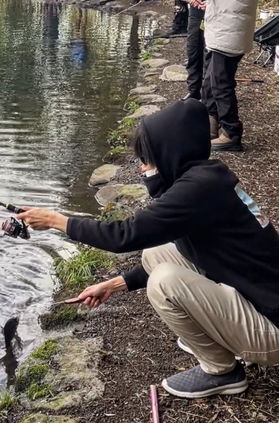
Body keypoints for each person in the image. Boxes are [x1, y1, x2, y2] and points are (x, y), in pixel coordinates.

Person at [16, 100, 279, 400]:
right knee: (156, 255)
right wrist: (114, 285)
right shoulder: (208, 177)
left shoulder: (195, 192)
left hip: (272, 327)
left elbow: (122, 236)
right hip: (260, 297)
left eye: (147, 159)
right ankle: (217, 336)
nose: (142, 168)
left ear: (170, 150)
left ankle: (222, 370)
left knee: (163, 282)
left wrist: (54, 220)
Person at [202, 0, 259, 151]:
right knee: (209, 79)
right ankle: (210, 123)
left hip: (228, 25)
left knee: (221, 82)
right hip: (224, 23)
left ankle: (231, 132)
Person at [181, 0, 206, 101]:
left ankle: (209, 94)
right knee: (193, 50)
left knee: (209, 55)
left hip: (214, 12)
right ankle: (193, 91)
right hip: (195, 12)